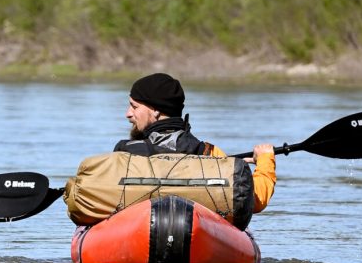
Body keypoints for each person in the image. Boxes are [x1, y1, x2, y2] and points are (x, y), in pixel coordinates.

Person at [114, 72, 276, 214]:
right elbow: (255, 201)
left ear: (156, 110)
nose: (128, 114)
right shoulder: (208, 153)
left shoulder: (124, 153)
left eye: (134, 106)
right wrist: (265, 159)